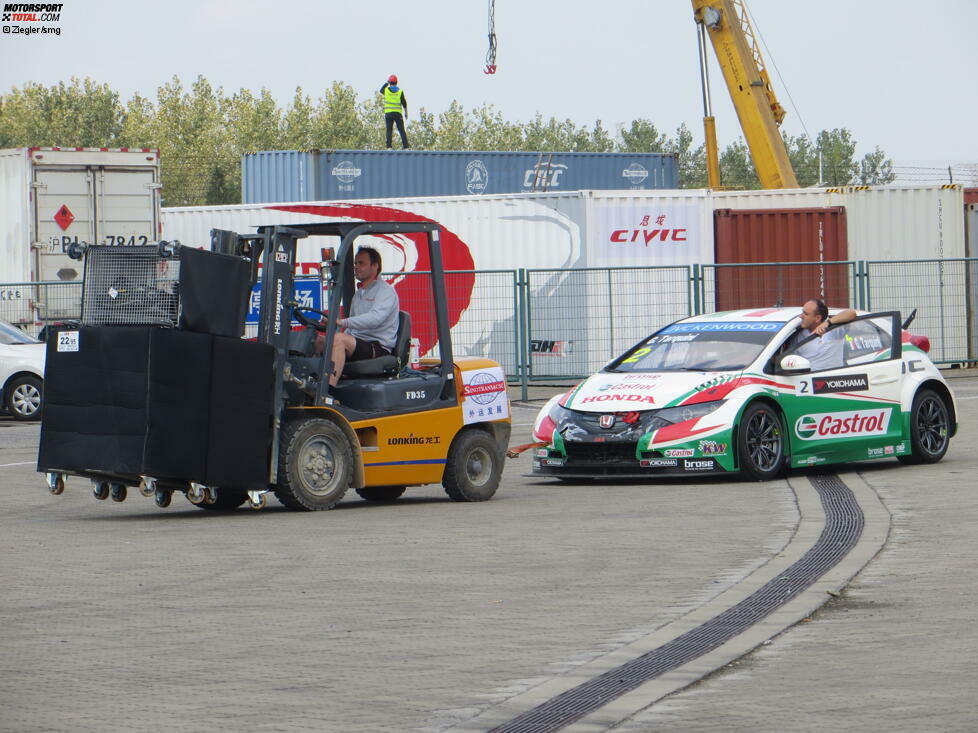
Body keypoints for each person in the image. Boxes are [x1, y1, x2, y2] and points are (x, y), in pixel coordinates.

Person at [327, 246, 399, 387]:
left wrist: (342, 322)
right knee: (319, 341)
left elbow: (374, 319)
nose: (356, 267)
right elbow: (352, 328)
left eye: (361, 263)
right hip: (359, 343)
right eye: (355, 263)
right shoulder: (359, 294)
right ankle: (309, 384)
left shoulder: (386, 292)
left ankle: (327, 390)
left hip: (377, 347)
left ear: (374, 266)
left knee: (338, 340)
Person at [786, 299, 857, 371]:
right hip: (808, 378)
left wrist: (828, 323)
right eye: (802, 312)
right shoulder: (797, 336)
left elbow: (852, 313)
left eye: (805, 314)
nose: (801, 316)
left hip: (835, 378)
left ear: (817, 318)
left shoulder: (834, 331)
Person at [380, 74, 409, 149]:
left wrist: (387, 83)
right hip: (397, 114)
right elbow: (404, 103)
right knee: (401, 130)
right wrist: (406, 113)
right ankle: (406, 147)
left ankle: (389, 147)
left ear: (390, 82)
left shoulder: (386, 91)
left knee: (389, 130)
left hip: (388, 114)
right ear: (397, 82)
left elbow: (381, 90)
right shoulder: (400, 92)